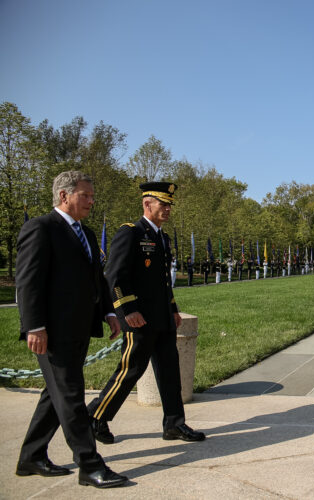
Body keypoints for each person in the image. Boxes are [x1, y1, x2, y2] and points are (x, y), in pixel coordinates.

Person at [15, 171, 127, 488]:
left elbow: (97, 278)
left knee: (56, 394)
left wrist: (109, 311)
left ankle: (31, 457)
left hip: (79, 329)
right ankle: (89, 465)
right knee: (71, 396)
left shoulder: (87, 234)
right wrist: (34, 326)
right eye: (85, 195)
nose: (92, 201)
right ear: (64, 196)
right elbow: (28, 283)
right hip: (51, 332)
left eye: (92, 195)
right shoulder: (40, 228)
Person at [87, 182, 205, 445]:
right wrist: (127, 311)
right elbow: (115, 276)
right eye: (163, 203)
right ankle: (96, 416)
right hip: (137, 318)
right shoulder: (130, 233)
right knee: (130, 371)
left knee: (170, 372)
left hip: (162, 318)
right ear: (146, 204)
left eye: (169, 204)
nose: (167, 209)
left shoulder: (162, 237)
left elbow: (163, 282)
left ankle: (174, 424)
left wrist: (173, 310)